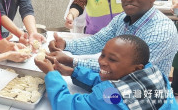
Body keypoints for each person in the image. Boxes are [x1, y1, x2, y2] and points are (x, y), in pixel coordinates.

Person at [48, 0, 178, 77]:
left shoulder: (162, 30)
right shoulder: (121, 19)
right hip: (115, 85)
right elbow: (97, 41)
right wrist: (65, 45)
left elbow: (124, 68)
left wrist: (72, 61)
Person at [35, 35, 178, 109]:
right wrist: (73, 72)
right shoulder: (152, 75)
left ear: (136, 68)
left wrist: (51, 74)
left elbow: (66, 104)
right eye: (102, 55)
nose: (102, 62)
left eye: (112, 59)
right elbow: (114, 83)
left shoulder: (111, 99)